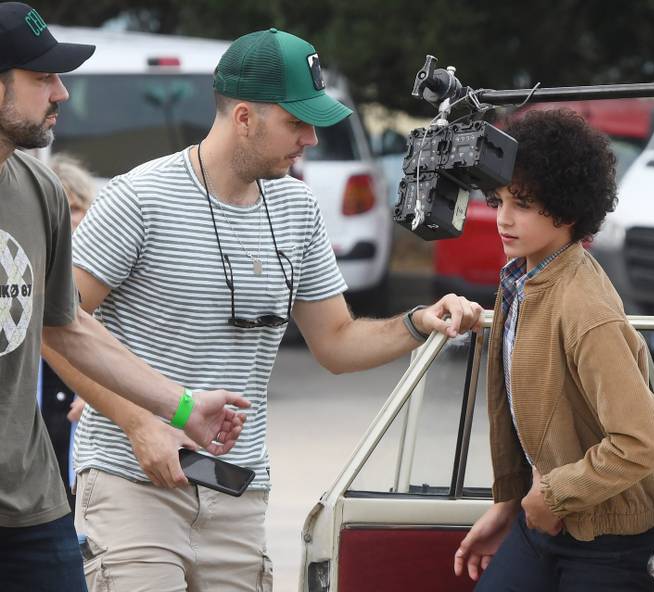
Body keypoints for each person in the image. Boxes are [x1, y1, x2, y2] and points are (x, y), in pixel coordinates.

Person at [44, 27, 483, 592]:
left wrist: (418, 323)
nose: (312, 139)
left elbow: (336, 342)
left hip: (238, 494)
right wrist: (137, 424)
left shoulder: (298, 207)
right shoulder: (138, 198)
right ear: (244, 117)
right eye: (296, 122)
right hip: (136, 486)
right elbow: (56, 324)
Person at [0, 4, 248, 592]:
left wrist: (182, 408)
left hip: (32, 506)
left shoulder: (39, 191)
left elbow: (69, 328)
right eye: (41, 79)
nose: (60, 92)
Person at [452, 109, 654, 591]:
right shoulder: (521, 279)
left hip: (609, 541)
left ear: (568, 210)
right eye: (500, 199)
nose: (503, 218)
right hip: (549, 520)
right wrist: (509, 502)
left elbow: (643, 442)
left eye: (523, 204)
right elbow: (513, 408)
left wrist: (548, 497)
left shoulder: (585, 309)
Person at [36, 154, 95, 509]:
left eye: (73, 207)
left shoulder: (110, 280)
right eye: (56, 207)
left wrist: (99, 394)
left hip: (84, 443)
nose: (65, 218)